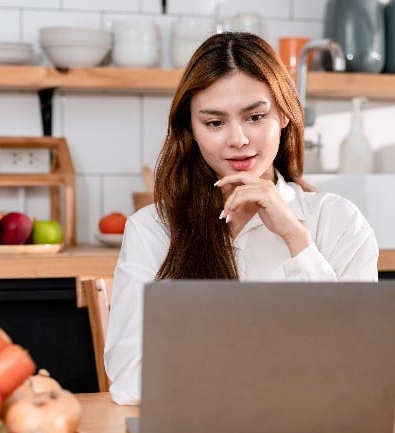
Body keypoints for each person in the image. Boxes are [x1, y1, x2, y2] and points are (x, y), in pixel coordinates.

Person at [104, 31, 379, 405]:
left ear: (284, 114)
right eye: (214, 123)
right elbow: (128, 378)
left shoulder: (340, 221)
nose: (237, 139)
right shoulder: (153, 229)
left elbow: (359, 365)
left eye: (255, 116)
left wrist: (296, 239)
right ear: (191, 129)